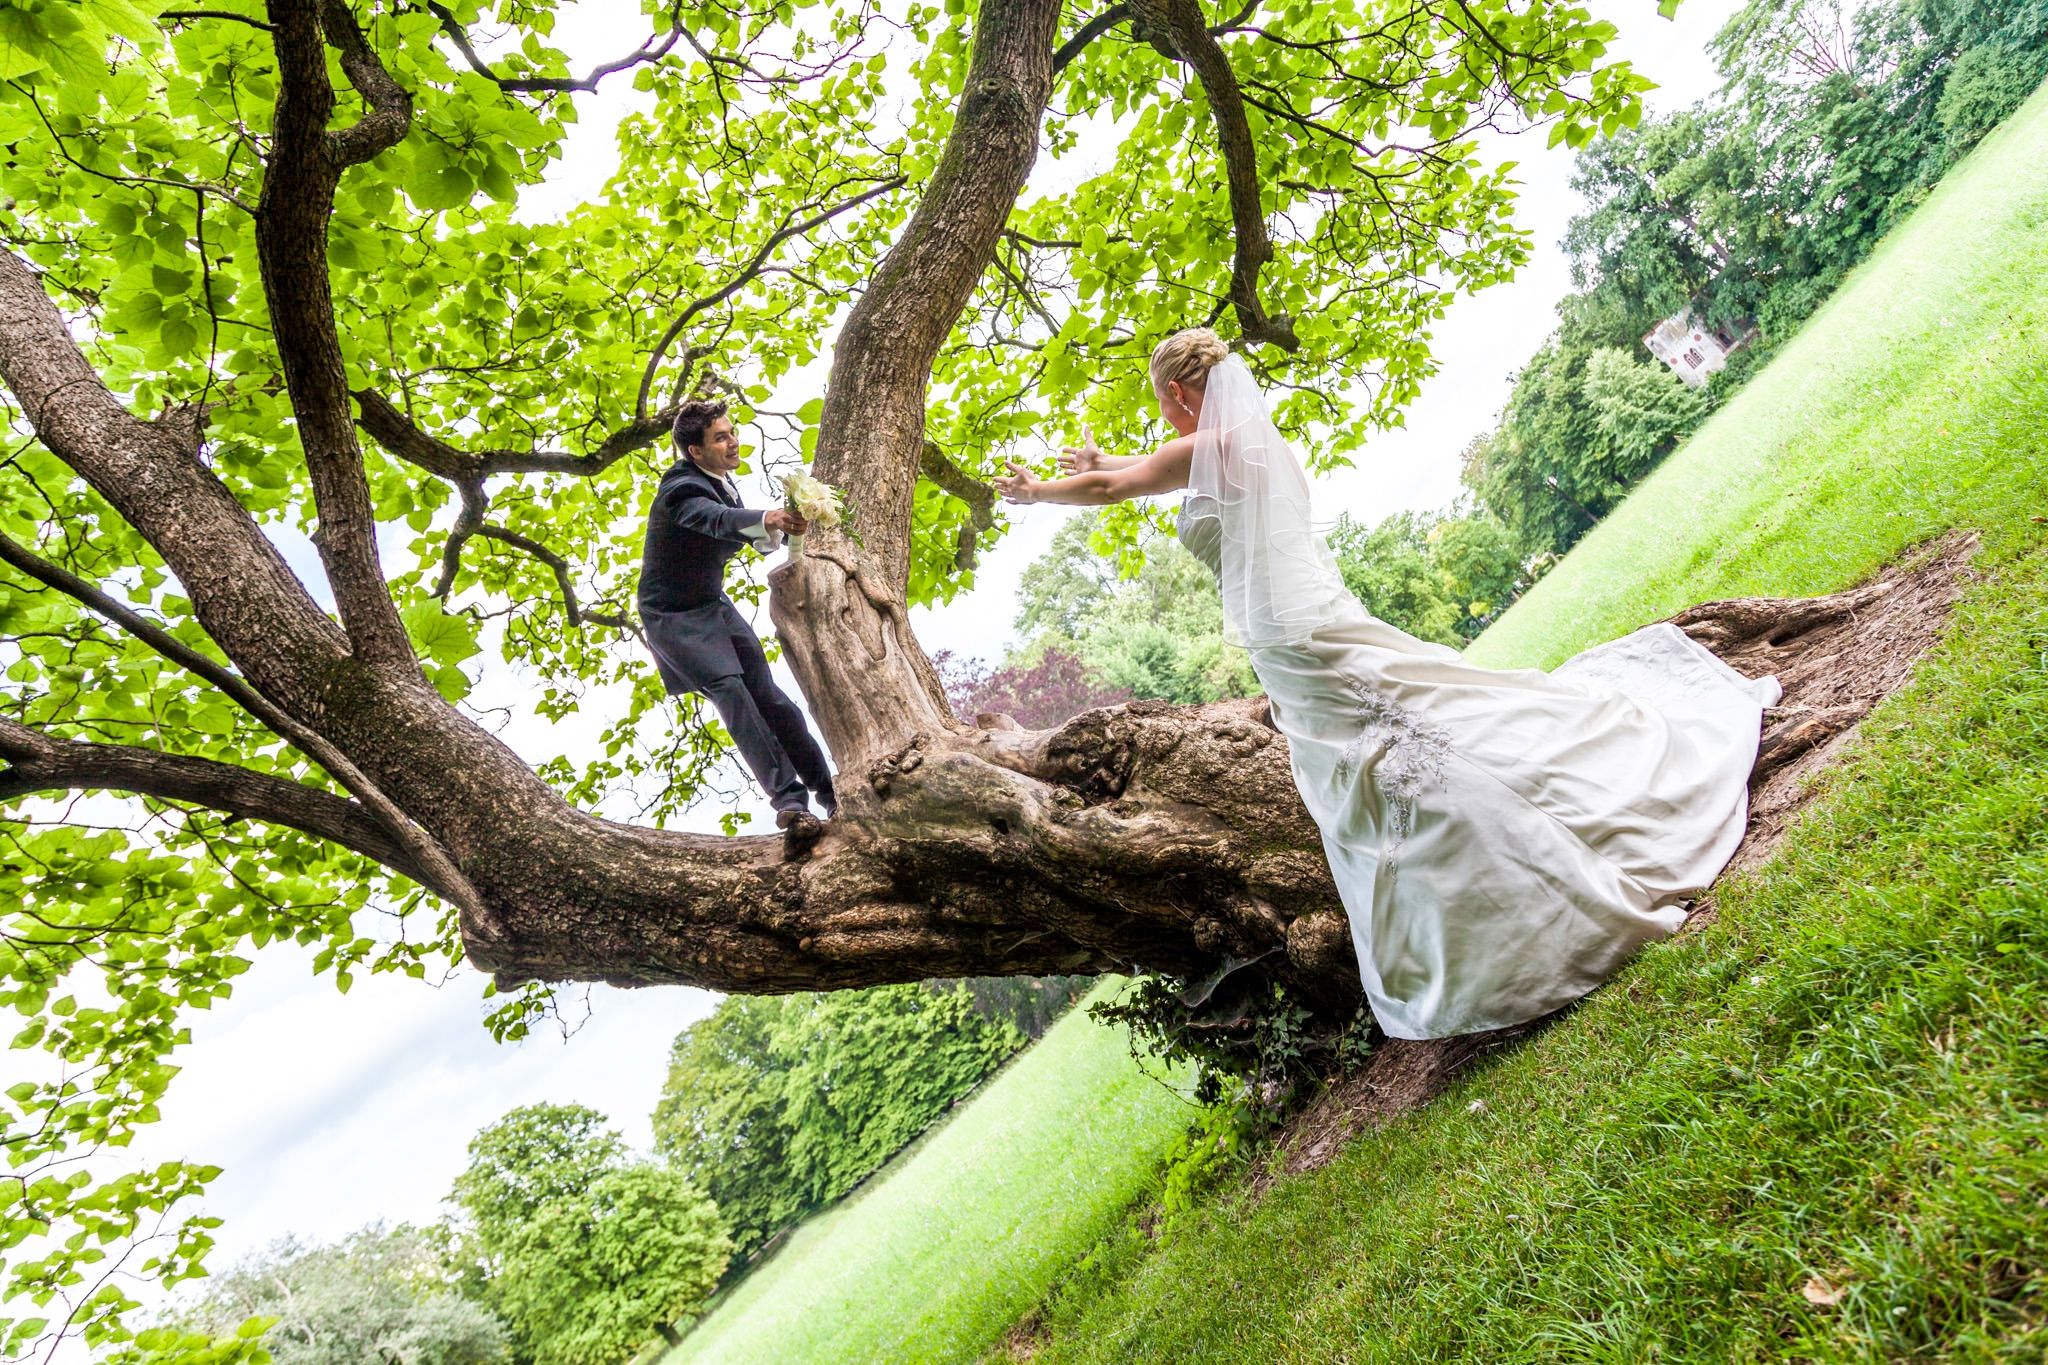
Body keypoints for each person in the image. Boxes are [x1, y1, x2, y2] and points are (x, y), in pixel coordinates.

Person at [993, 329, 1777, 1040]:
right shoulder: (1244, 443)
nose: (1164, 420)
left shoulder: (1221, 442)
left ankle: (1516, 903)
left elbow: (1117, 489)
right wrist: (1106, 467)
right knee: (1402, 740)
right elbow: (1134, 476)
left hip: (1299, 634)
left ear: (1178, 395)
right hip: (1294, 632)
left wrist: (1041, 493)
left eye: (1161, 405)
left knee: (1405, 744)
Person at [638, 400, 837, 829]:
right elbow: (714, 520)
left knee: (772, 699)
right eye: (721, 438)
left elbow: (746, 532)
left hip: (713, 604)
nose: (733, 442)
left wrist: (782, 527)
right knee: (734, 694)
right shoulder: (679, 487)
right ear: (695, 451)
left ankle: (830, 791)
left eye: (732, 432)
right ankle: (790, 802)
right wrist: (767, 516)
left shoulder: (724, 482)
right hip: (673, 618)